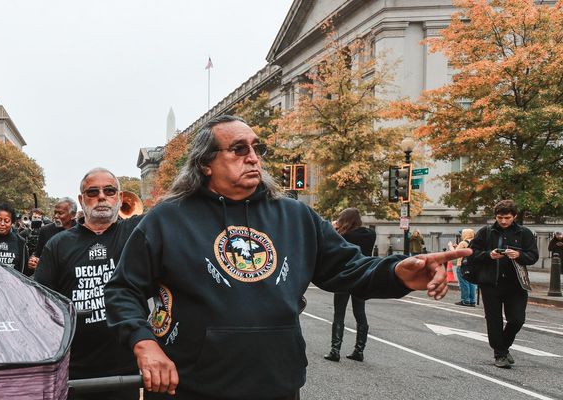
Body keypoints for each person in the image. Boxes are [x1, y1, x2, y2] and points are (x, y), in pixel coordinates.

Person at [104, 115, 466, 398]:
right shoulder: (167, 220)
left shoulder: (295, 216)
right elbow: (123, 290)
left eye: (256, 148)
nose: (253, 157)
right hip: (191, 386)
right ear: (205, 165)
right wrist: (144, 342)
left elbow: (350, 268)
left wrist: (399, 273)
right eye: (239, 149)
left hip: (278, 383)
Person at [34, 168, 143, 399]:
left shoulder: (136, 234)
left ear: (120, 197)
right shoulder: (58, 245)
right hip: (74, 370)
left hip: (125, 369)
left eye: (109, 191)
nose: (101, 196)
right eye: (93, 192)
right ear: (82, 200)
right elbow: (40, 303)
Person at [466, 199, 538, 369]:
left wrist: (519, 255)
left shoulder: (524, 233)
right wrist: (488, 255)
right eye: (500, 218)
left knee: (517, 320)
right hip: (491, 284)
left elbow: (533, 256)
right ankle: (500, 354)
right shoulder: (486, 232)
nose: (503, 221)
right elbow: (471, 253)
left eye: (507, 218)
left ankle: (503, 347)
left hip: (516, 285)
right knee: (494, 321)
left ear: (514, 216)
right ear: (495, 217)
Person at [324, 208, 376, 362]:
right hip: (362, 277)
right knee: (360, 313)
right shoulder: (370, 234)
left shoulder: (343, 236)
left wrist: (333, 228)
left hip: (345, 277)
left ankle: (335, 350)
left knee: (339, 313)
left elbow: (330, 246)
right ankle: (359, 350)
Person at [29, 198, 79, 272]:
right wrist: (34, 261)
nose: (56, 216)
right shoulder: (45, 230)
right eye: (55, 212)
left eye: (60, 213)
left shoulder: (82, 232)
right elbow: (38, 254)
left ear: (73, 215)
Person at [452, 228, 478, 307]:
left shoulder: (463, 243)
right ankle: (472, 300)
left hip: (462, 265)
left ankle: (465, 300)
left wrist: (450, 246)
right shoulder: (475, 242)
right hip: (473, 265)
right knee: (472, 283)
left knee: (464, 283)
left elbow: (455, 253)